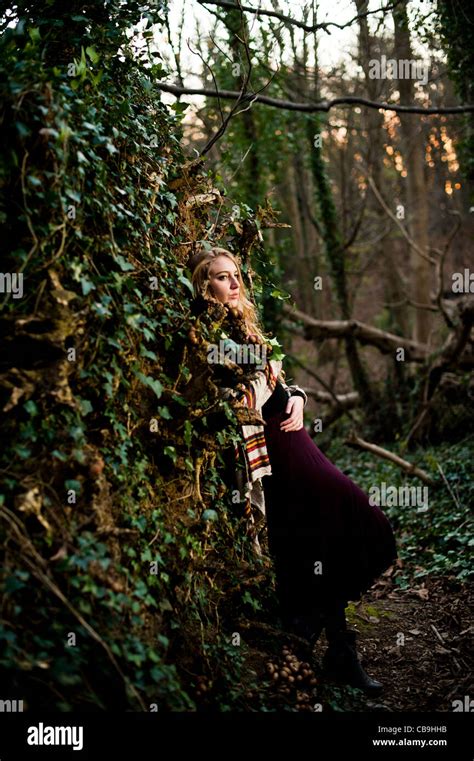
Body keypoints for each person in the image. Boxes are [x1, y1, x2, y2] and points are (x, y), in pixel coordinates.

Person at [188, 246, 398, 695]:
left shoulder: (242, 324)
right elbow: (237, 400)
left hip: (297, 440)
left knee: (332, 534)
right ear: (204, 286)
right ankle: (312, 636)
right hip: (272, 455)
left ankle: (334, 646)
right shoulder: (204, 335)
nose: (235, 283)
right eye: (222, 277)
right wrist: (268, 379)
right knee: (337, 517)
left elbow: (277, 376)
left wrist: (297, 394)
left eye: (235, 274)